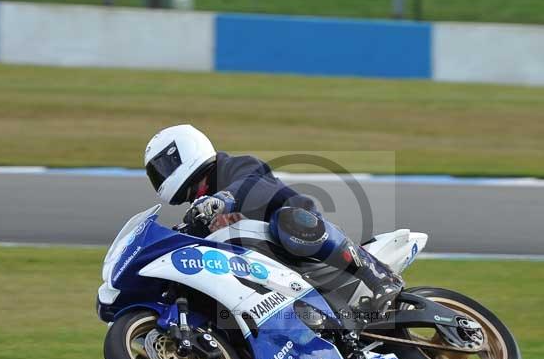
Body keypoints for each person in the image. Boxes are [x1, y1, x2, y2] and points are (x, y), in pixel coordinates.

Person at [143, 124, 402, 311]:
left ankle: (376, 273)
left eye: (163, 168)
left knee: (289, 222)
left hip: (296, 240)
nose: (161, 177)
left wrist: (223, 200)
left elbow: (253, 183)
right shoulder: (198, 211)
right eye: (156, 173)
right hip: (265, 273)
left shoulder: (233, 166)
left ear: (185, 152)